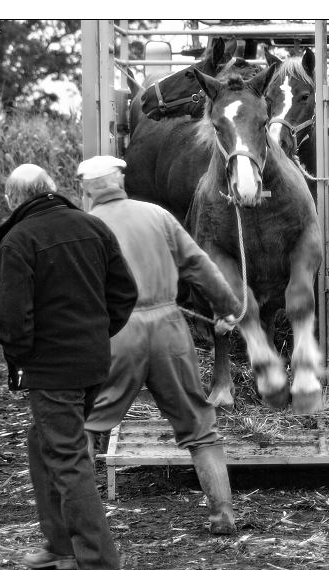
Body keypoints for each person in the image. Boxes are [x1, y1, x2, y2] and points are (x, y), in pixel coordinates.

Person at [76, 155, 242, 537]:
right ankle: (223, 516)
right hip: (170, 328)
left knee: (87, 424)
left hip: (117, 332)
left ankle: (84, 525)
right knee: (200, 427)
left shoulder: (87, 227)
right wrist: (228, 308)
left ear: (87, 189)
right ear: (121, 180)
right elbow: (199, 265)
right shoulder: (157, 215)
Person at [0, 164, 138, 570]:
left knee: (69, 458)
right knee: (43, 444)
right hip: (93, 364)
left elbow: (12, 317)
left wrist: (22, 363)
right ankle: (60, 546)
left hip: (52, 371)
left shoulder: (19, 240)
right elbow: (124, 294)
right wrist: (94, 336)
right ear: (52, 190)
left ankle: (101, 566)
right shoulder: (93, 227)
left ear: (12, 199)